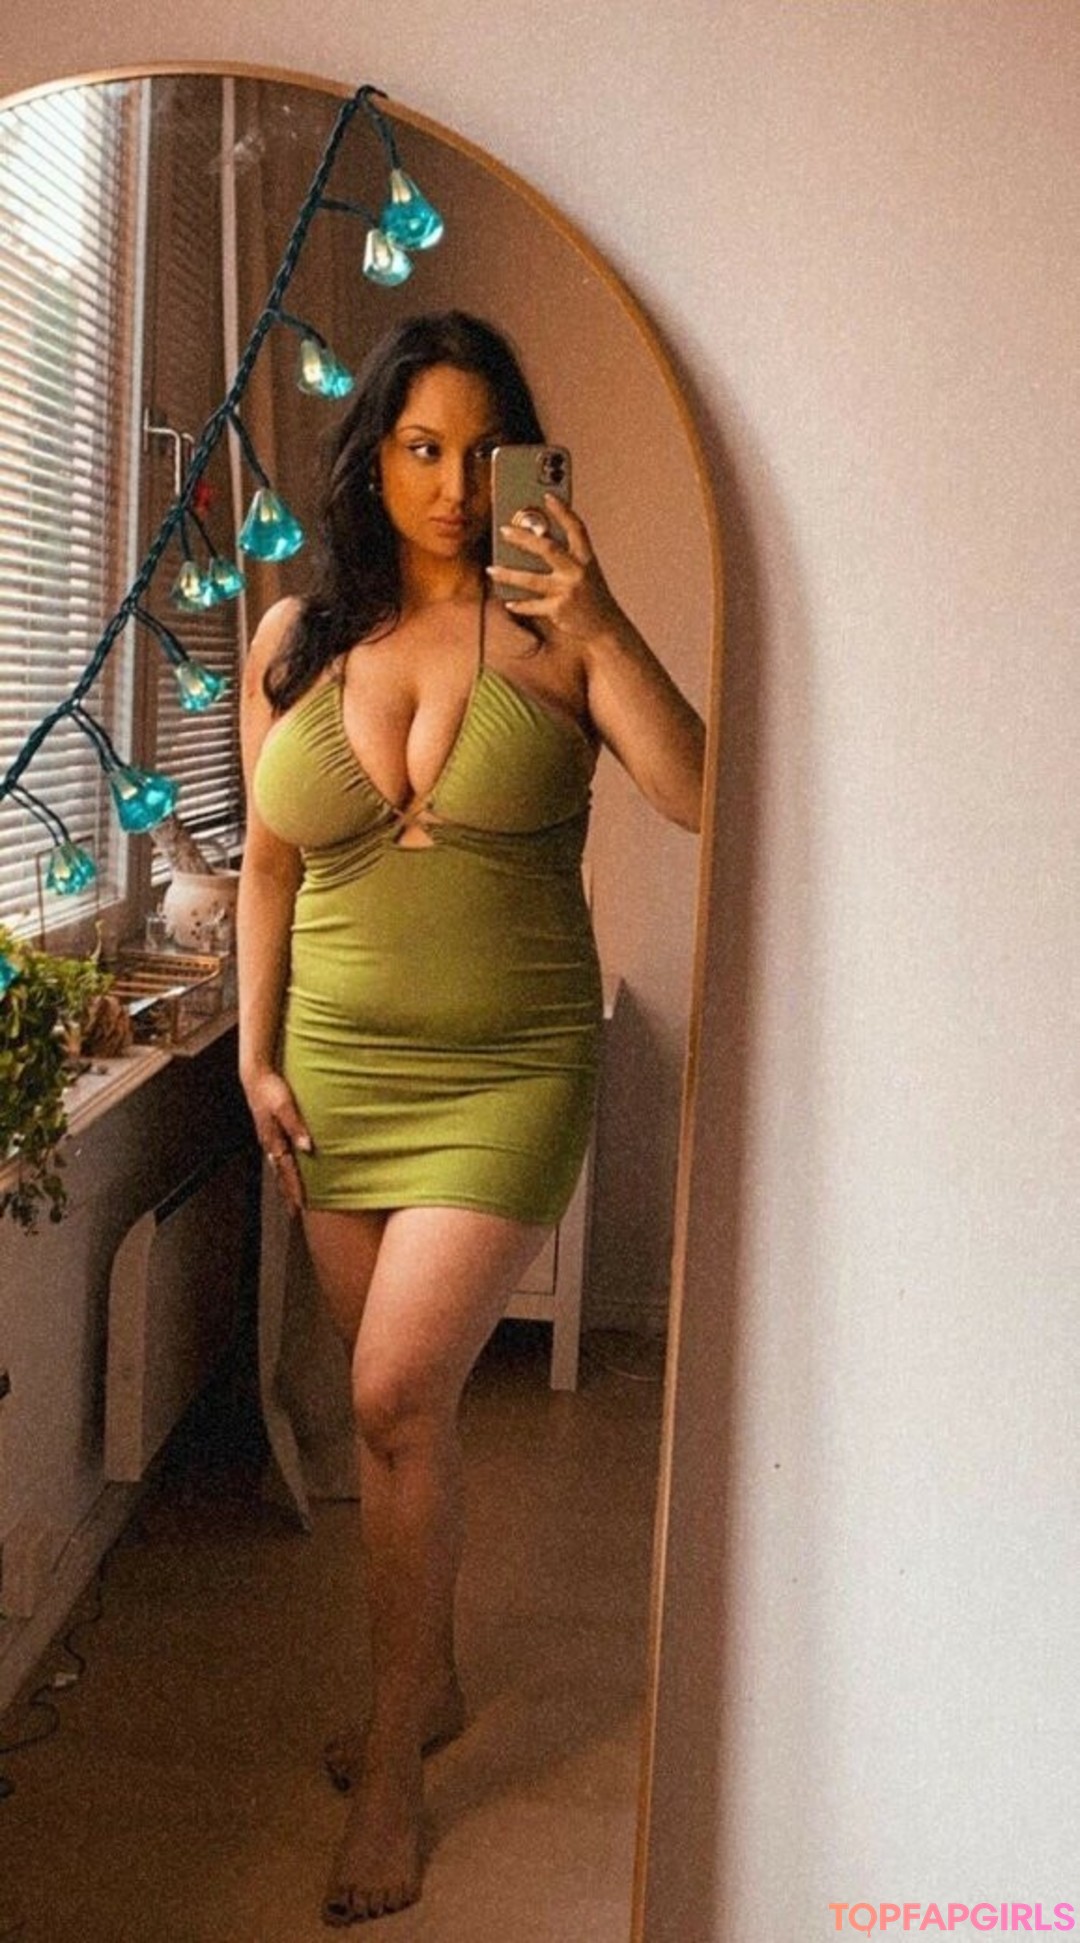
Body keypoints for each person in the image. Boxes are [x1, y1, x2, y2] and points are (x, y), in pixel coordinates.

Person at [237, 310, 704, 1925]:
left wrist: (606, 615)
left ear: (524, 462)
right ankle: (426, 1676)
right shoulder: (295, 636)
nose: (449, 484)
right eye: (419, 447)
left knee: (388, 1392)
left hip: (510, 1075)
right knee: (404, 1422)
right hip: (334, 1079)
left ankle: (395, 1766)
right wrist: (253, 1056)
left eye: (479, 450)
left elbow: (701, 791)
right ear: (371, 455)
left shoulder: (560, 635)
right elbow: (271, 867)